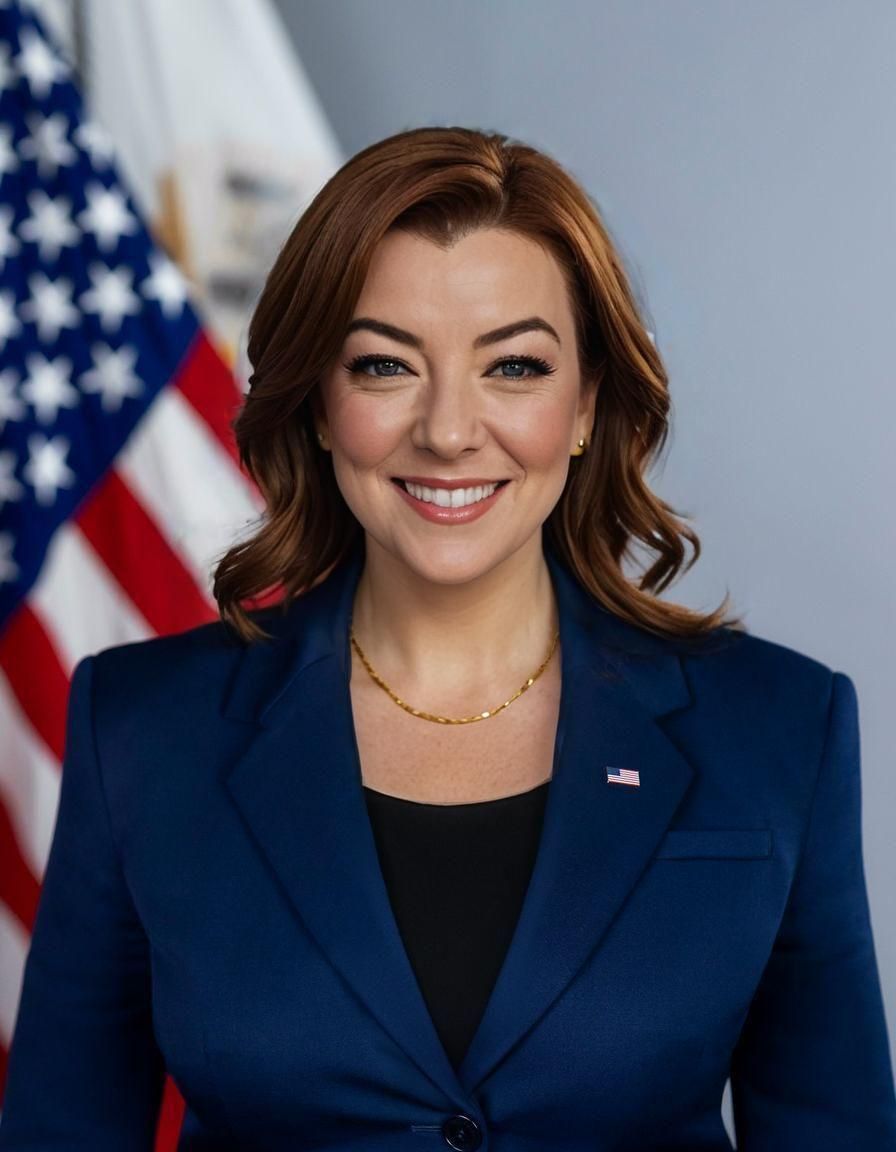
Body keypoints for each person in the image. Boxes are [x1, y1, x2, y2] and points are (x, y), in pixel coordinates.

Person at [1, 125, 894, 1151]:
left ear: (584, 404)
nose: (449, 429)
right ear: (321, 406)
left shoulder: (780, 729)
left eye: (512, 366)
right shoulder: (141, 729)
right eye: (384, 365)